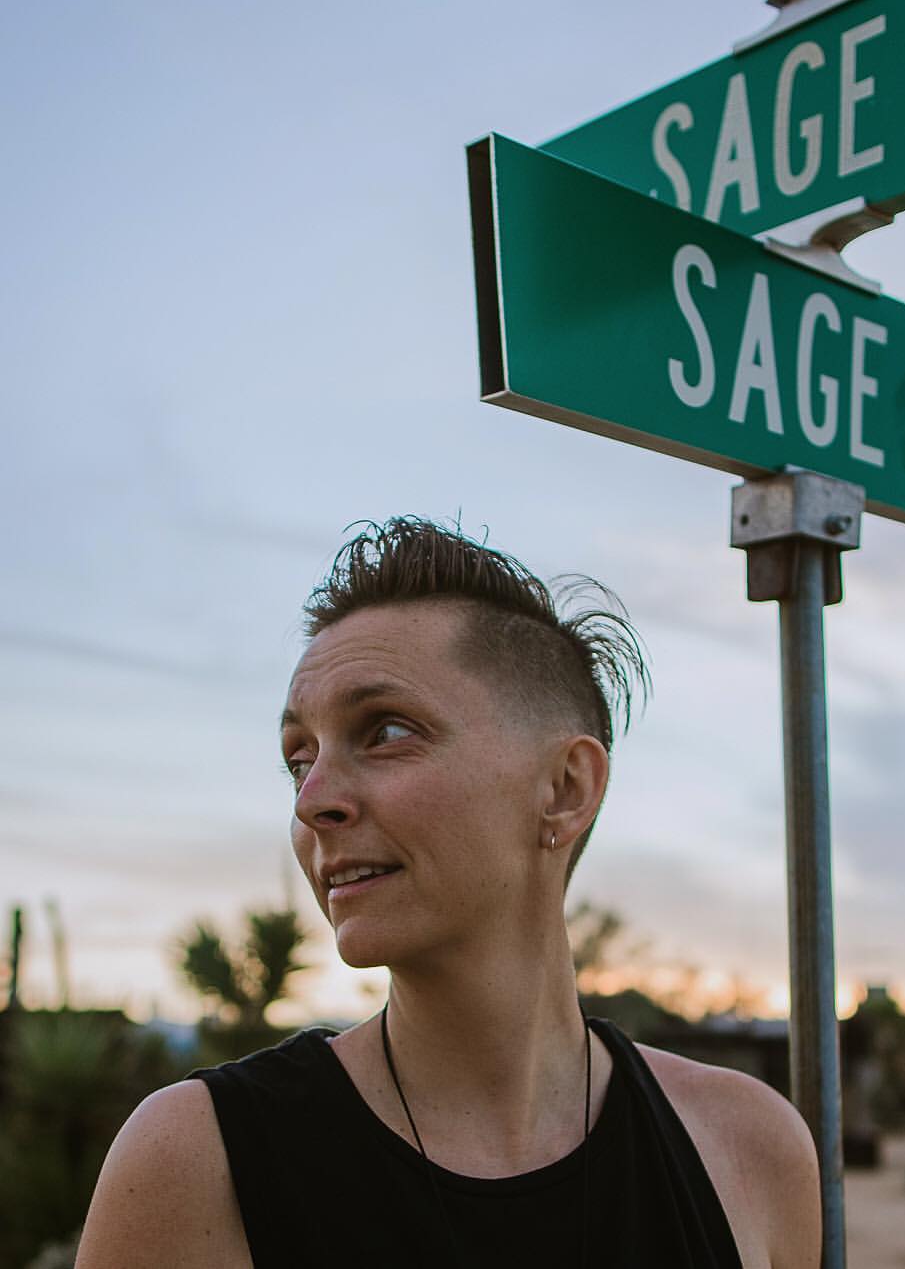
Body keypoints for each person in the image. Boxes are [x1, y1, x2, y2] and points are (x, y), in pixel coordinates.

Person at [77, 518, 821, 1268]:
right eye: (299, 759)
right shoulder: (200, 1162)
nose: (312, 801)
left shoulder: (747, 1147)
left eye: (387, 731)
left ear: (565, 789)